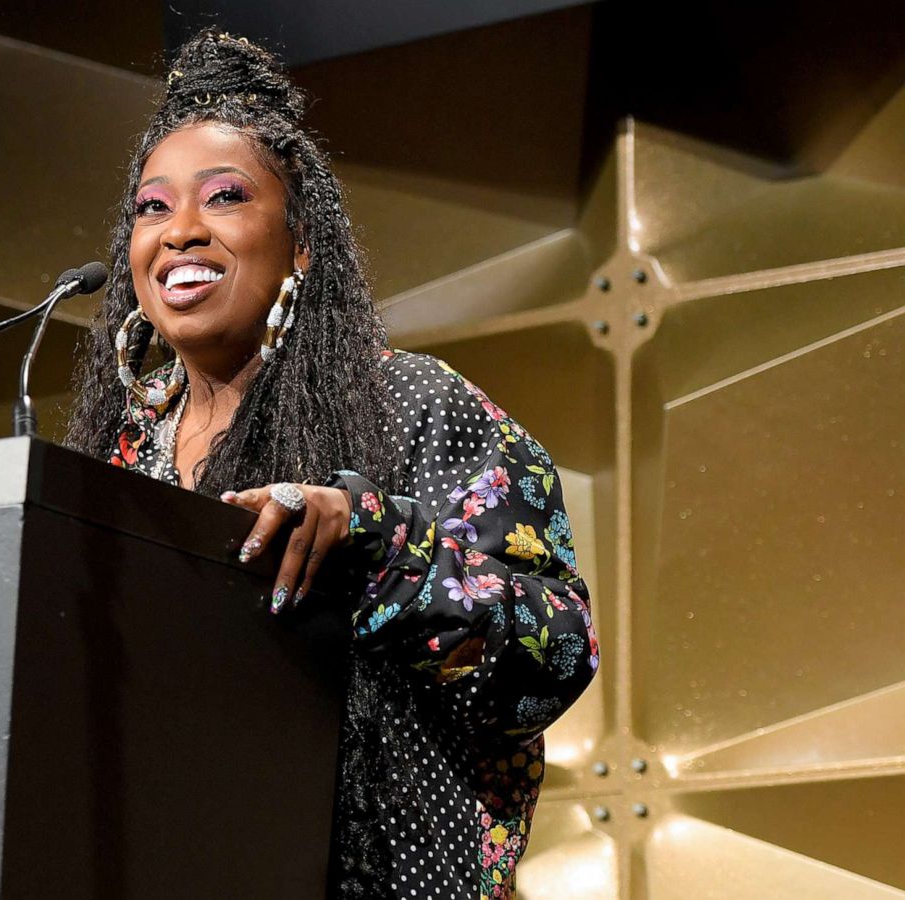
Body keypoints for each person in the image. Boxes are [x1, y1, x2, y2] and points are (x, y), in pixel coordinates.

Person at [65, 30, 599, 900]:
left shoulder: (410, 407)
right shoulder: (115, 455)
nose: (180, 232)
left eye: (224, 197)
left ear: (302, 241)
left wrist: (379, 542)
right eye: (151, 208)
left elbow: (557, 658)